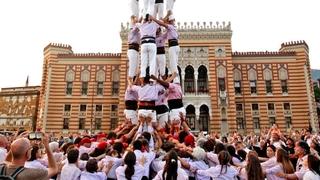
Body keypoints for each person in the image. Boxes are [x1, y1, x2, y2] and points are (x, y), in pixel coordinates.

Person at [138, 14, 160, 81]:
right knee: (152, 62)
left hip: (143, 44)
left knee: (143, 63)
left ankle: (142, 82)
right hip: (151, 43)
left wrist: (142, 19)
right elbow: (160, 23)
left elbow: (137, 23)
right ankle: (151, 80)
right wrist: (153, 19)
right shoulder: (154, 24)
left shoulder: (141, 25)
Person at [127, 16, 141, 86]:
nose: (136, 20)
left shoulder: (138, 32)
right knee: (132, 69)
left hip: (137, 50)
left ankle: (133, 85)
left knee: (137, 71)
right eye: (134, 19)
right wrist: (141, 16)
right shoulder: (132, 29)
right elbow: (137, 26)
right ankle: (130, 86)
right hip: (132, 49)